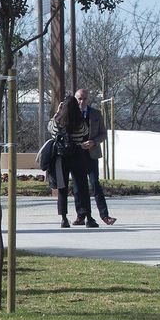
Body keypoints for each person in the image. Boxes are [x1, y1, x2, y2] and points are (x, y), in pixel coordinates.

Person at [48, 97, 96, 228]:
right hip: (78, 155)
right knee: (81, 187)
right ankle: (88, 217)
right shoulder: (80, 122)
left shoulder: (58, 121)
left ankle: (64, 218)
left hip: (61, 157)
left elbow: (50, 129)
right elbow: (85, 132)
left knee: (62, 188)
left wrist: (57, 112)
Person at [75, 88, 115, 226]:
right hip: (77, 155)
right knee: (78, 187)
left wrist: (93, 142)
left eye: (84, 99)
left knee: (95, 185)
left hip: (92, 154)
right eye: (79, 98)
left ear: (88, 99)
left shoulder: (96, 114)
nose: (82, 101)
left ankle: (105, 215)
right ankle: (81, 215)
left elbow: (103, 134)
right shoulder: (72, 114)